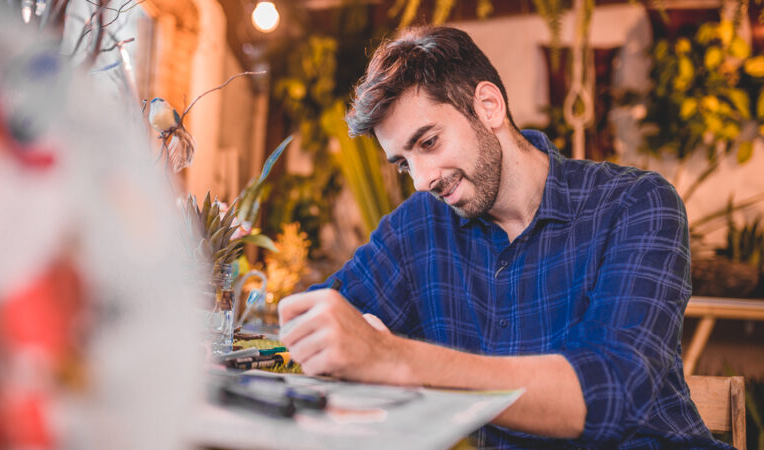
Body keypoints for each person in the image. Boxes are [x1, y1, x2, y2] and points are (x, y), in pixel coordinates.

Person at [278, 26, 727, 448]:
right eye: (403, 162)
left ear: (488, 106)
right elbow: (317, 318)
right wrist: (328, 334)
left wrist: (391, 357)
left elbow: (607, 392)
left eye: (429, 143)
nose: (421, 180)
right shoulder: (420, 226)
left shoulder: (636, 204)